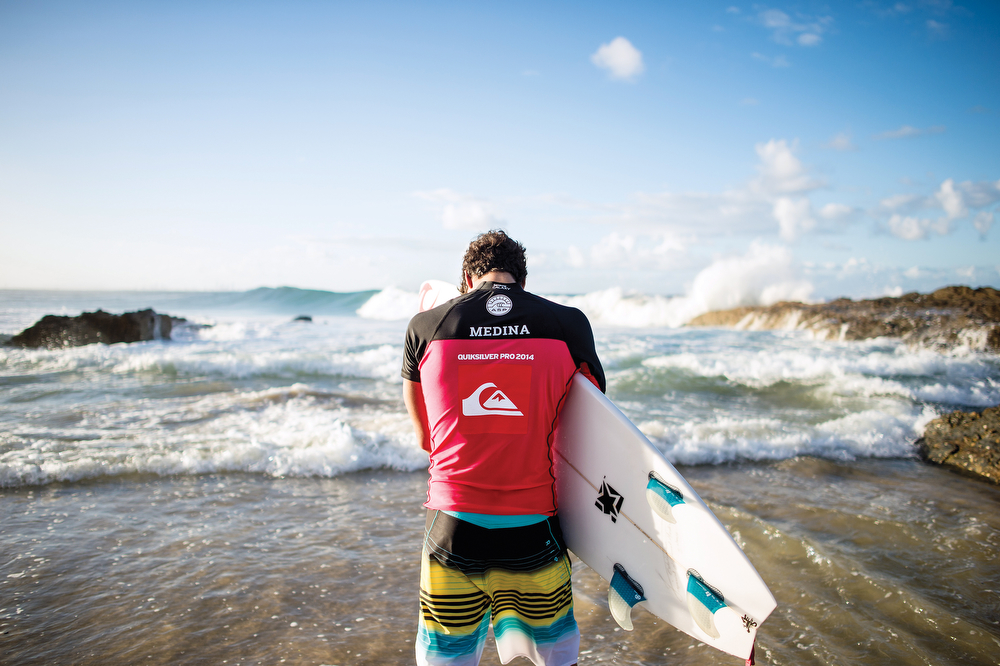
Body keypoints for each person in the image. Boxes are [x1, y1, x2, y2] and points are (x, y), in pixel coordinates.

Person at [401, 230, 606, 666]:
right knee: (552, 657)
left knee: (447, 658)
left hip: (452, 531)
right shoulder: (568, 324)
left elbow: (425, 441)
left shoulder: (424, 327)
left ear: (466, 278)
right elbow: (590, 425)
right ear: (522, 281)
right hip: (534, 531)